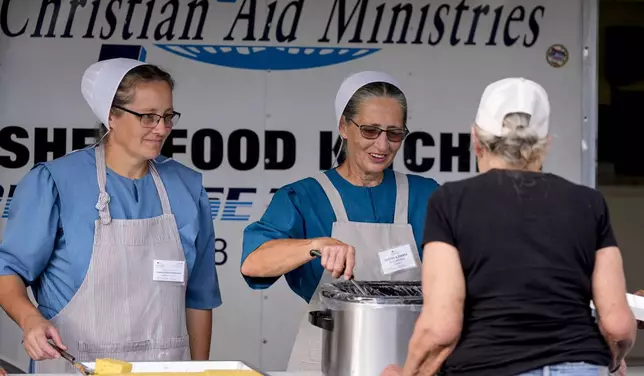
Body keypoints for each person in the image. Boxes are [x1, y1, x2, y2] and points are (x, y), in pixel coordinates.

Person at [382, 77, 636, 376]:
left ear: (475, 139)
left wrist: (408, 373)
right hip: (577, 365)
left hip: (486, 365)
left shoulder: (451, 202)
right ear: (545, 144)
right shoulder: (588, 203)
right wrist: (613, 361)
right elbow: (618, 326)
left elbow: (440, 328)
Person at [0, 58, 222, 373]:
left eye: (168, 116)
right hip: (74, 367)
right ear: (111, 116)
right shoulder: (56, 182)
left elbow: (199, 298)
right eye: (148, 117)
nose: (162, 128)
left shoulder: (187, 186)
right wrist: (30, 319)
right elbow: (8, 272)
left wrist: (201, 372)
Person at [240, 71, 441, 371]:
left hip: (410, 358)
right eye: (370, 130)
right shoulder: (304, 196)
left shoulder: (426, 195)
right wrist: (315, 245)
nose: (383, 145)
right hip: (326, 352)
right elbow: (253, 263)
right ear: (344, 127)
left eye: (394, 133)